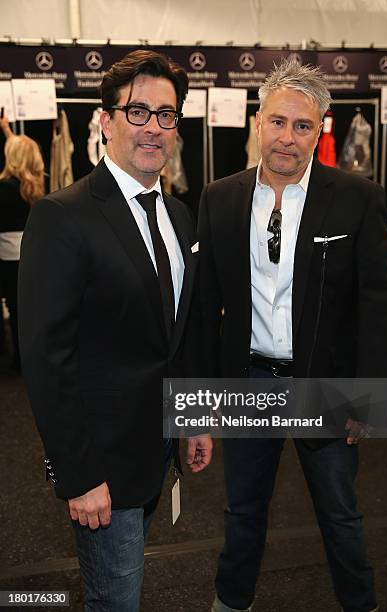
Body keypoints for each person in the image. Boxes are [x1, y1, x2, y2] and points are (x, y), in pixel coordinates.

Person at [198, 57, 387, 612]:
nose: (288, 138)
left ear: (320, 129)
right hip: (251, 383)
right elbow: (203, 308)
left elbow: (380, 309)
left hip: (328, 386)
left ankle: (361, 604)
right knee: (242, 512)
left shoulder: (357, 198)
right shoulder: (220, 198)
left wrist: (370, 398)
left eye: (303, 126)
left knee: (340, 513)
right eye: (279, 122)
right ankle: (232, 602)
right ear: (258, 121)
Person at [19, 49, 212, 612]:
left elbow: (178, 335)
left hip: (157, 453)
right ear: (105, 120)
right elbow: (46, 356)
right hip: (101, 469)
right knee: (115, 601)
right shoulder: (63, 215)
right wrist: (78, 476)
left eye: (167, 114)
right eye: (138, 112)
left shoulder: (178, 216)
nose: (154, 127)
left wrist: (194, 420)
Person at [0, 117, 44, 371]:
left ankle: (18, 358)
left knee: (16, 310)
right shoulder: (35, 187)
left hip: (8, 257)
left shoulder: (5, 188)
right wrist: (7, 130)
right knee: (30, 309)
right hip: (32, 256)